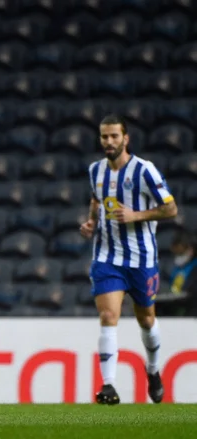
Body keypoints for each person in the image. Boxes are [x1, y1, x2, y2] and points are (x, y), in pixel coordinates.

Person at [79, 114, 178, 405]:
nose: (108, 142)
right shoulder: (95, 171)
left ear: (126, 138)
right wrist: (91, 222)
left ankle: (153, 370)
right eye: (104, 137)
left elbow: (170, 209)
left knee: (146, 320)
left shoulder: (144, 171)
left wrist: (136, 215)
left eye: (113, 136)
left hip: (142, 258)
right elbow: (96, 199)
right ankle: (109, 385)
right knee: (108, 316)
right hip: (107, 256)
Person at [156, 229, 197, 316]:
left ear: (190, 249)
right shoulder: (176, 268)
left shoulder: (194, 267)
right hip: (173, 303)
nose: (178, 257)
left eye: (181, 253)